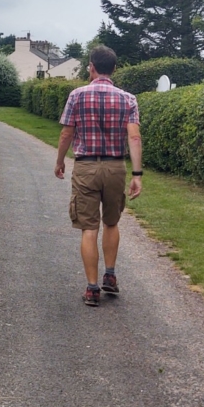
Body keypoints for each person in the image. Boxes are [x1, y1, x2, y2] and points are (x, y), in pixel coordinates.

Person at [54, 45, 143, 307]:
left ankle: (92, 289)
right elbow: (134, 136)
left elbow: (66, 134)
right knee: (111, 223)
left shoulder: (76, 95)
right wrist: (137, 174)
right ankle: (111, 276)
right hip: (115, 167)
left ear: (91, 66)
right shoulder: (128, 99)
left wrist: (59, 161)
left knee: (89, 228)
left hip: (86, 167)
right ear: (114, 69)